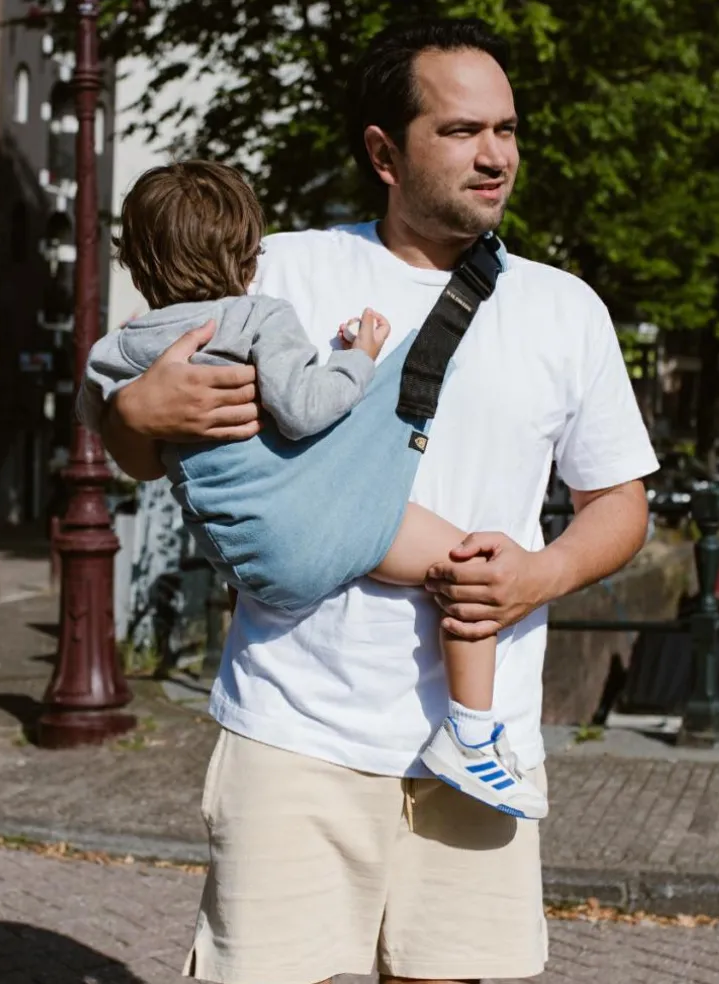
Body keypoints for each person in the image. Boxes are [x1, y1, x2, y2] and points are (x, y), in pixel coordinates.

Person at [93, 17, 659, 984]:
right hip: (297, 732)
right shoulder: (281, 270)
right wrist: (133, 412)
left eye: (508, 130)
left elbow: (620, 502)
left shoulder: (567, 308)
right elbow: (145, 450)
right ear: (383, 152)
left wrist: (541, 573)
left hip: (478, 748)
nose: (495, 156)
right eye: (462, 131)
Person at [79, 160, 547, 819]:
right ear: (249, 255)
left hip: (244, 558)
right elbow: (305, 409)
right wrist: (359, 353)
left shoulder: (122, 347)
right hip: (318, 527)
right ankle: (471, 735)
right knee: (472, 565)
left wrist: (130, 410)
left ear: (136, 260)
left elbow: (96, 410)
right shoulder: (255, 318)